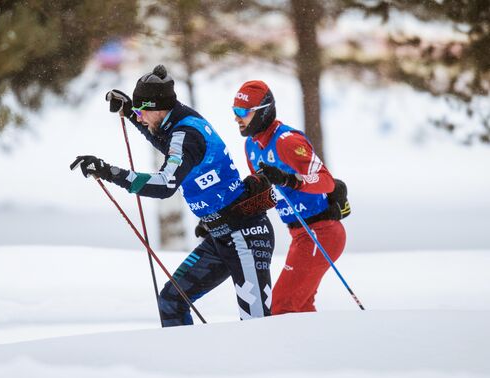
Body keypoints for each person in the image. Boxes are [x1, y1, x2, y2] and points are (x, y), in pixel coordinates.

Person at [71, 65, 276, 327]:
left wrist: (108, 171)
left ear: (158, 108)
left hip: (244, 234)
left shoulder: (185, 134)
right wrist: (130, 112)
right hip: (220, 236)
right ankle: (186, 364)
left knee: (256, 325)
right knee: (171, 300)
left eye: (142, 111)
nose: (141, 117)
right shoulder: (178, 119)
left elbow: (165, 184)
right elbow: (163, 140)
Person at [232, 80, 350, 314]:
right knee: (302, 307)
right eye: (234, 111)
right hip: (299, 234)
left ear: (262, 112)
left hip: (321, 232)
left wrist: (290, 180)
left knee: (281, 306)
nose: (236, 118)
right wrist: (226, 215)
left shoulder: (288, 141)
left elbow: (325, 181)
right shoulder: (251, 146)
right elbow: (264, 194)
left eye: (242, 112)